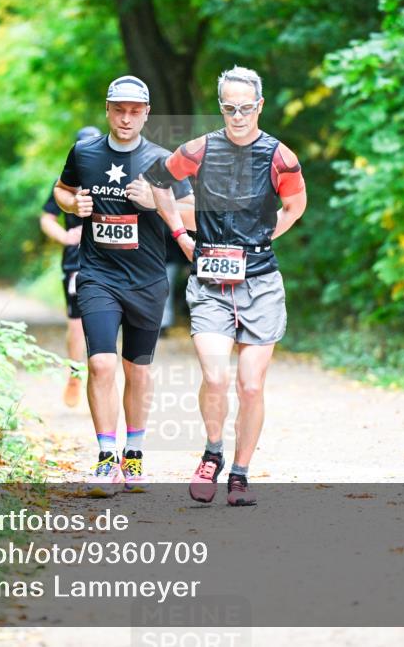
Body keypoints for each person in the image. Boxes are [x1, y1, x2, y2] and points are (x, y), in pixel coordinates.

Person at [145, 66, 307, 506]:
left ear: (260, 106)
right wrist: (180, 233)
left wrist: (264, 237)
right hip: (211, 282)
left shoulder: (280, 156)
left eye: (246, 108)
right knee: (215, 375)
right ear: (221, 107)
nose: (238, 115)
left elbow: (295, 205)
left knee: (251, 386)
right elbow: (159, 182)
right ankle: (212, 454)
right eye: (230, 108)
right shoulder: (198, 150)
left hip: (261, 284)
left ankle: (240, 474)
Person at [53, 76, 194, 495]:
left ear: (146, 113)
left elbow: (190, 209)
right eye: (119, 109)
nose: (127, 118)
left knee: (138, 370)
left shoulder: (162, 159)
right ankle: (105, 458)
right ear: (108, 109)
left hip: (147, 279)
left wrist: (154, 201)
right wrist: (72, 203)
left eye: (135, 111)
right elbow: (61, 191)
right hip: (97, 274)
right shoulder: (85, 152)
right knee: (100, 363)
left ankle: (133, 455)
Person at [40, 126, 102, 407]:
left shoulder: (113, 176)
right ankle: (76, 374)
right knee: (77, 323)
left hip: (110, 261)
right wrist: (65, 236)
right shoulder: (66, 181)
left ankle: (101, 374)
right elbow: (47, 218)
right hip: (76, 262)